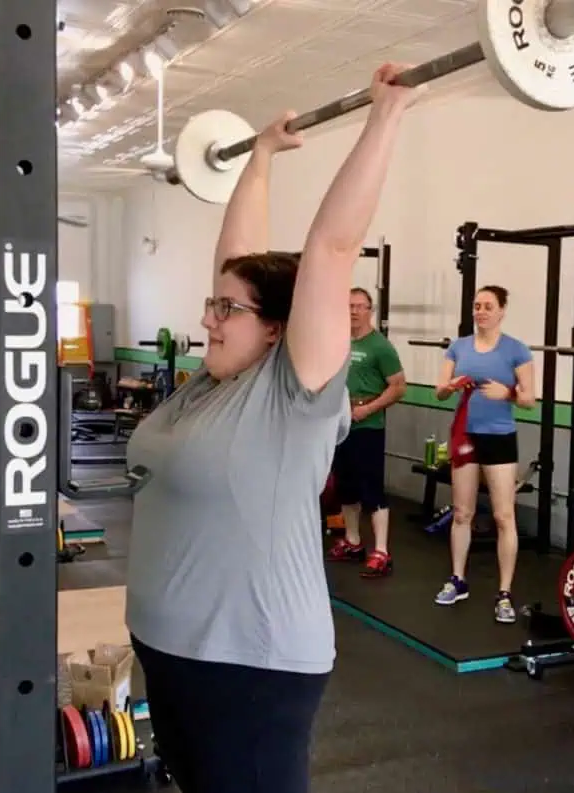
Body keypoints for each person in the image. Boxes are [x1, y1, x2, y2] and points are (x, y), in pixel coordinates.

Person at [122, 64, 420, 793]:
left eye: (226, 310)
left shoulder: (294, 393)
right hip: (170, 652)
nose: (208, 318)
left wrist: (386, 114)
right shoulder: (208, 382)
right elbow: (239, 261)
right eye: (212, 304)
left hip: (248, 667)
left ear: (277, 328)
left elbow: (330, 250)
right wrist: (257, 159)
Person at [431, 285, 535, 624]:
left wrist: (507, 393)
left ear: (502, 311)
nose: (481, 311)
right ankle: (458, 579)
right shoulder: (458, 348)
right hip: (466, 437)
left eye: (488, 306)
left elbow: (529, 399)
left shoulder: (516, 350)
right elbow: (439, 393)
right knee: (462, 513)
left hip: (500, 439)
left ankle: (504, 592)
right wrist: (448, 387)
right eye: (477, 306)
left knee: (504, 516)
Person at [326, 287, 406, 577]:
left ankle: (381, 551)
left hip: (368, 424)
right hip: (342, 421)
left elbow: (398, 387)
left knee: (371, 489)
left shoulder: (380, 347)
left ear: (369, 311)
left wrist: (368, 409)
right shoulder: (339, 343)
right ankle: (352, 541)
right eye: (349, 305)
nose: (353, 311)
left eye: (360, 306)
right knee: (346, 488)